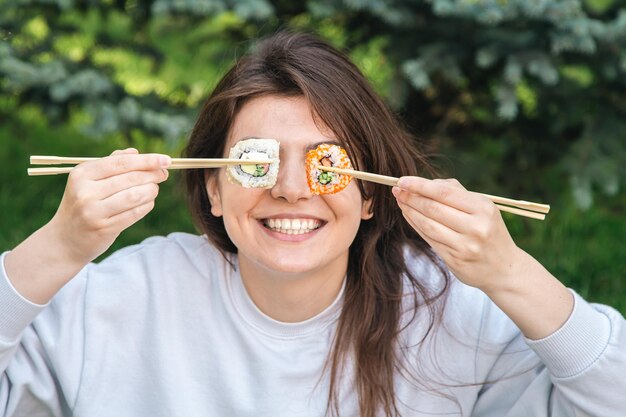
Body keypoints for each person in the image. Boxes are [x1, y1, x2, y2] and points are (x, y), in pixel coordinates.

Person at [1, 31, 624, 417]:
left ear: (373, 196)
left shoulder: (449, 315)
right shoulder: (118, 300)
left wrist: (511, 274)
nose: (291, 188)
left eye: (326, 163)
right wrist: (60, 246)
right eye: (255, 161)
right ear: (214, 186)